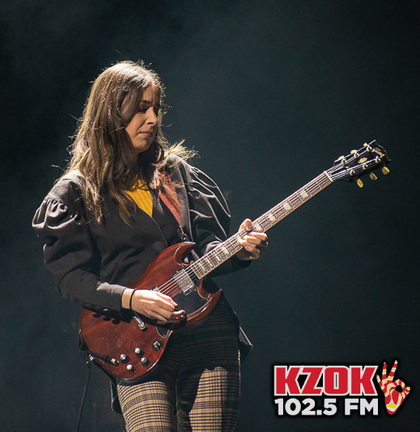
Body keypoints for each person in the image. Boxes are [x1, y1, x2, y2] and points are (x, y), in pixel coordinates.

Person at [32, 60, 268, 432]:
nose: (153, 118)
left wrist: (236, 251)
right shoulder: (75, 193)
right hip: (134, 343)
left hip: (208, 336)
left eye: (156, 108)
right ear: (111, 114)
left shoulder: (177, 175)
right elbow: (72, 279)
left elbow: (206, 249)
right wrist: (131, 299)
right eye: (140, 109)